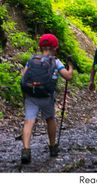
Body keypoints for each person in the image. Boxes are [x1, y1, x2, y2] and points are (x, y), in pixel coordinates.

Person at [21, 33, 73, 164]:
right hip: (46, 97)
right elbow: (67, 76)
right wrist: (70, 67)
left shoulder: (32, 59)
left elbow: (23, 75)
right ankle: (52, 146)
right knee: (50, 119)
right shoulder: (55, 61)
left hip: (31, 95)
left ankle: (26, 150)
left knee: (29, 122)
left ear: (40, 47)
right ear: (54, 48)